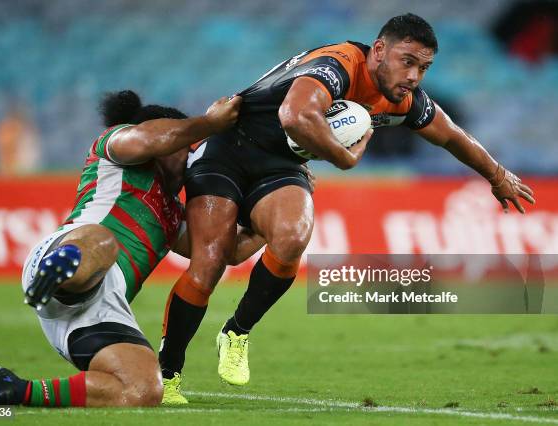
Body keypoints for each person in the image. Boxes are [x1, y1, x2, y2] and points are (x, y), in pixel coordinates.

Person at [158, 13, 536, 403]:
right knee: (209, 263)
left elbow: (451, 135)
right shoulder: (336, 65)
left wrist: (496, 174)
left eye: (423, 68)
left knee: (292, 237)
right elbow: (294, 115)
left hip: (281, 164)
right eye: (407, 61)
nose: (414, 76)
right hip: (227, 149)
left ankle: (236, 332)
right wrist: (342, 158)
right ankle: (168, 373)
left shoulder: (404, 99)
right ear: (378, 51)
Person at [0, 90, 264, 408]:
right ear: (166, 137)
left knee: (144, 389)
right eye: (187, 148)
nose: (193, 157)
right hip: (71, 250)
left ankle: (14, 389)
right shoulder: (115, 150)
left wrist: (272, 220)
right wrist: (208, 123)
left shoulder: (173, 216)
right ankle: (62, 269)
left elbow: (228, 251)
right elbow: (150, 140)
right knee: (104, 242)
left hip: (94, 312)